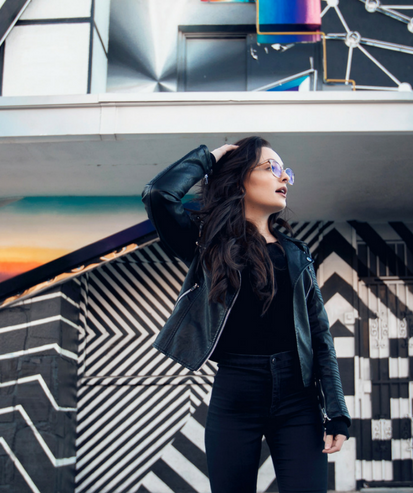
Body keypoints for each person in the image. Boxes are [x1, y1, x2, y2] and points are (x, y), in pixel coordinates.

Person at [142, 137, 350, 493]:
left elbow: (320, 336)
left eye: (287, 172)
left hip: (298, 398)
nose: (284, 178)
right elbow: (159, 195)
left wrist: (337, 411)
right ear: (240, 179)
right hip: (236, 392)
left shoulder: (297, 254)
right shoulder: (207, 243)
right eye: (272, 168)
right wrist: (213, 157)